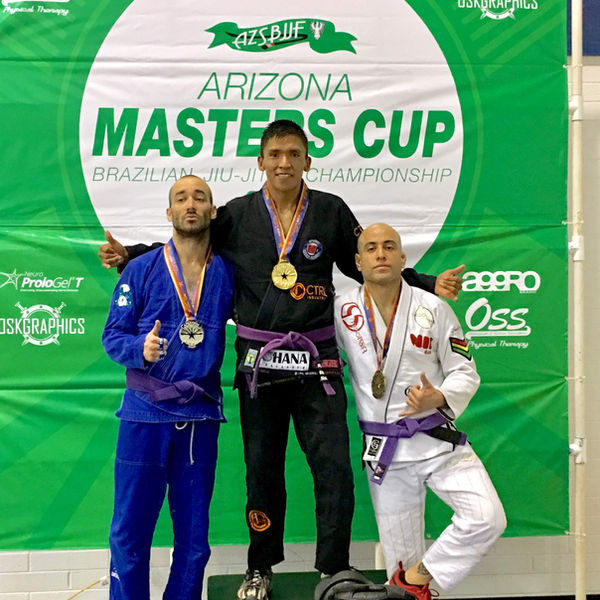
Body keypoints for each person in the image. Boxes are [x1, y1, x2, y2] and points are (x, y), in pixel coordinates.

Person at [98, 120, 464, 600]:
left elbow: (369, 264)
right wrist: (131, 255)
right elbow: (189, 240)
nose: (284, 162)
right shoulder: (236, 215)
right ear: (261, 162)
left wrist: (426, 282)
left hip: (317, 363)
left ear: (308, 160)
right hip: (260, 364)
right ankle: (260, 567)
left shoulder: (330, 211)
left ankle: (334, 567)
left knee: (333, 468)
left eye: (294, 153)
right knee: (262, 471)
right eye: (275, 154)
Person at [334, 223, 506, 600]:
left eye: (389, 246)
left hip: (438, 441)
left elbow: (465, 370)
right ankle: (409, 582)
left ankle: (417, 576)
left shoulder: (434, 308)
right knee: (399, 561)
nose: (381, 254)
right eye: (371, 248)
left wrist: (438, 396)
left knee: (487, 517)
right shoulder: (341, 310)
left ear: (402, 258)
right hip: (386, 454)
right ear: (358, 262)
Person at [102, 175, 234, 600]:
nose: (190, 204)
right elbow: (113, 336)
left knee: (194, 544)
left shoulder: (227, 273)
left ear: (212, 211)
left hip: (199, 417)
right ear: (169, 212)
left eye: (199, 197)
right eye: (181, 198)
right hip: (144, 414)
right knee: (129, 534)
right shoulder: (140, 270)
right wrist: (139, 349)